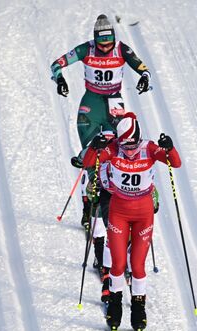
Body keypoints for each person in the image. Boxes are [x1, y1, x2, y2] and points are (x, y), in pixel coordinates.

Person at [82, 112, 180, 331]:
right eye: (124, 146)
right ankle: (115, 306)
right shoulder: (113, 148)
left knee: (137, 266)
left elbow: (176, 162)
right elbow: (88, 162)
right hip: (119, 213)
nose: (129, 152)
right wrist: (95, 148)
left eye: (132, 145)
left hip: (143, 214)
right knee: (117, 265)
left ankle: (138, 309)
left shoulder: (149, 148)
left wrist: (169, 147)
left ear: (138, 138)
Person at [50, 14, 152, 232]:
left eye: (109, 43)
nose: (105, 48)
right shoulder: (86, 49)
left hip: (115, 105)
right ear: (95, 39)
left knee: (119, 152)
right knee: (90, 158)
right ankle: (88, 209)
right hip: (91, 105)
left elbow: (143, 67)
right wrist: (59, 79)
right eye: (101, 43)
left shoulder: (121, 49)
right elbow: (56, 64)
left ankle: (117, 203)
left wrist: (145, 77)